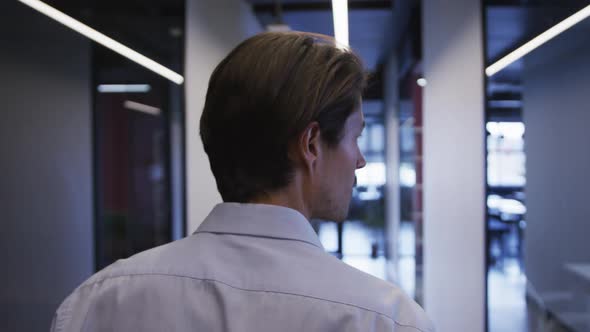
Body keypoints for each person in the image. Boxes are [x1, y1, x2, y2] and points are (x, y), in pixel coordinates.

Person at [51, 32, 434, 332]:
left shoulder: (96, 303)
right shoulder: (384, 320)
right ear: (312, 145)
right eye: (356, 137)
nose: (361, 160)